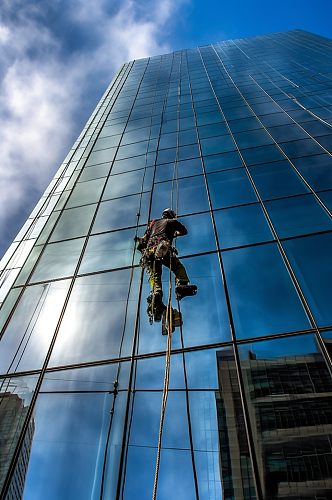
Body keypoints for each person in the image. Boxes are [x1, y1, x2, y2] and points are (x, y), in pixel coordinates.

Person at [135, 208, 197, 321]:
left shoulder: (153, 223)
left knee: (155, 274)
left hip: (150, 250)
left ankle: (157, 294)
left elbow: (144, 239)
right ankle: (182, 284)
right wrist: (174, 234)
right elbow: (184, 231)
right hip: (162, 246)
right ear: (171, 215)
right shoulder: (171, 222)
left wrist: (139, 240)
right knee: (177, 266)